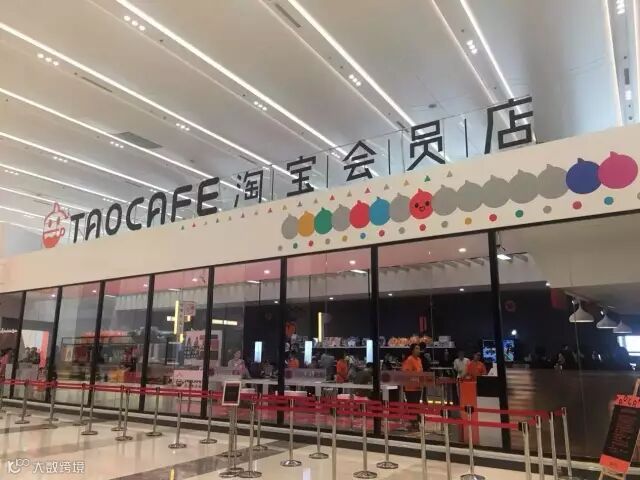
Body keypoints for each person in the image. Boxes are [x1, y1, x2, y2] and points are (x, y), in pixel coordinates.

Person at [402, 344, 423, 429]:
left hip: (418, 387)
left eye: (419, 348)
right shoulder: (409, 360)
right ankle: (413, 422)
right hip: (410, 388)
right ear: (412, 350)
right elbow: (407, 374)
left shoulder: (419, 360)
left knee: (416, 405)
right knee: (412, 406)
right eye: (417, 348)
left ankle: (416, 422)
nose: (418, 350)